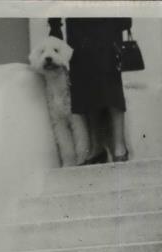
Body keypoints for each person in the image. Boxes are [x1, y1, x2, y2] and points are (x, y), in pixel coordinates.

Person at [48, 17, 131, 163]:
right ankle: (97, 147)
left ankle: (120, 146)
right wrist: (54, 24)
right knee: (85, 82)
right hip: (77, 21)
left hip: (107, 17)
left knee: (111, 80)